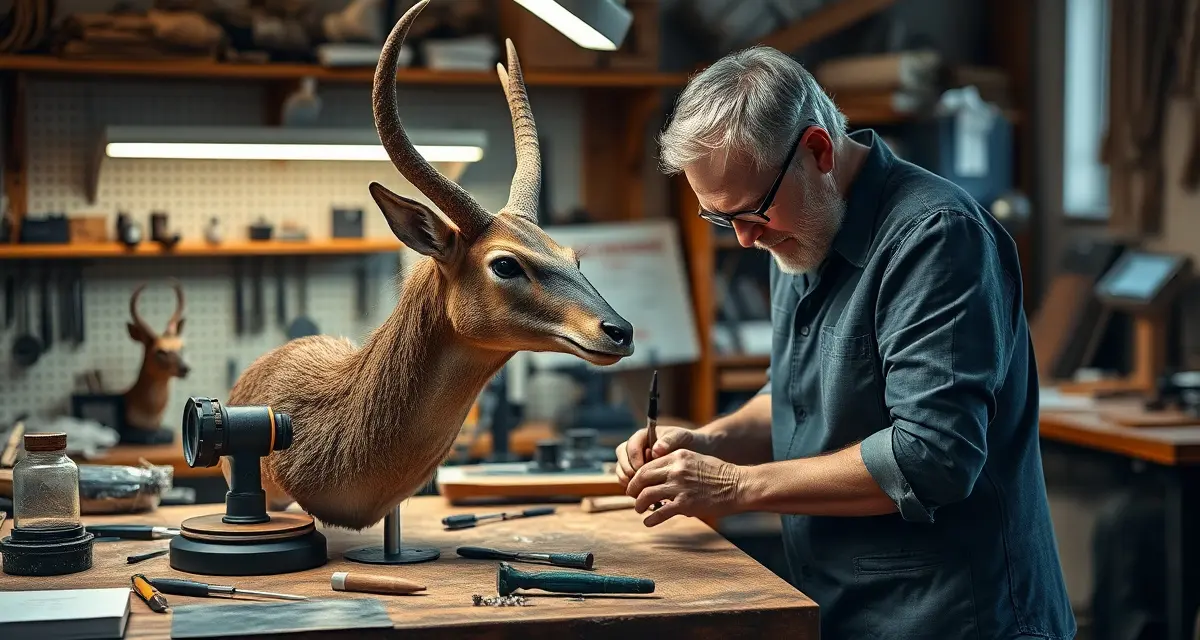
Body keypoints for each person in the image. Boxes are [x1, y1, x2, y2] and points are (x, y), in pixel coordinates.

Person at [616, 46, 1077, 640]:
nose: (745, 239)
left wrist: (733, 486)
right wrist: (711, 441)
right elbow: (798, 396)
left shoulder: (936, 237)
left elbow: (932, 457)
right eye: (719, 218)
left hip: (950, 617)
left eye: (752, 213)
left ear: (818, 151)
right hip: (839, 604)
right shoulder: (801, 227)